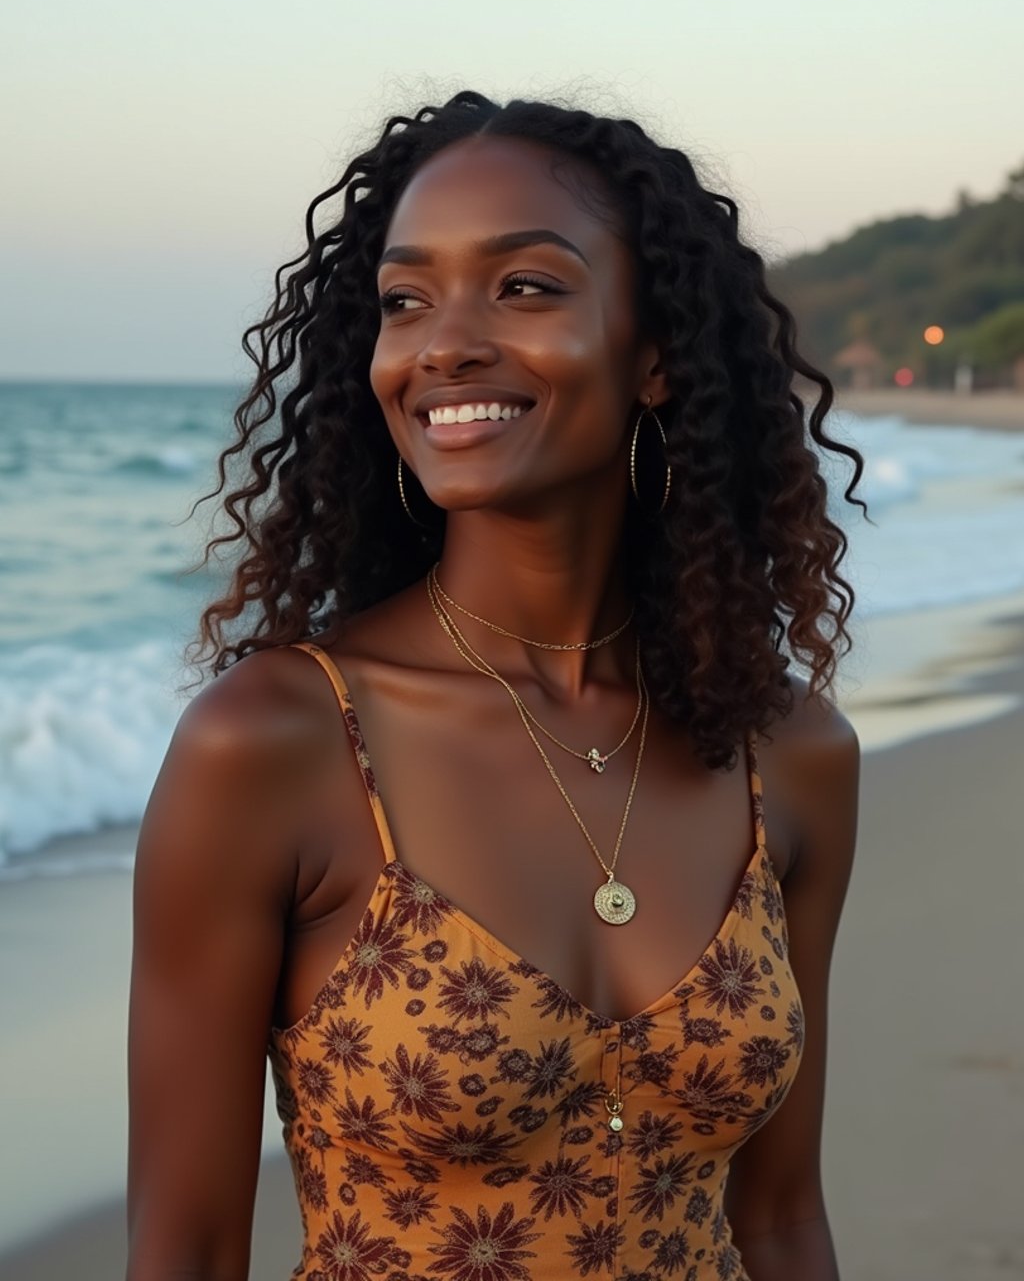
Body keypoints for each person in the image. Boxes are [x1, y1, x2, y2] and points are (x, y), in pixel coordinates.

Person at [127, 90, 863, 1281]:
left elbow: (778, 1218)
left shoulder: (788, 753)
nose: (444, 343)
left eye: (526, 287)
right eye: (406, 301)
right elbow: (185, 1248)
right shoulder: (278, 744)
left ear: (658, 351)